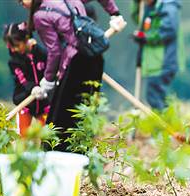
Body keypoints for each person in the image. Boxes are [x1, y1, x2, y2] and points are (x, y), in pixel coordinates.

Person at [24, 0, 125, 151]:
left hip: (76, 63)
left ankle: (55, 160)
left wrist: (48, 80)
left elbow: (55, 51)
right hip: (94, 56)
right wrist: (114, 13)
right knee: (86, 110)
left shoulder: (40, 15)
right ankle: (81, 157)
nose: (23, 3)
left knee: (61, 120)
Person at [132, 0, 183, 111]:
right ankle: (165, 125)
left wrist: (145, 38)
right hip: (153, 62)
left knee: (156, 99)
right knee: (156, 98)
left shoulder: (168, 7)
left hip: (163, 62)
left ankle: (163, 126)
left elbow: (168, 31)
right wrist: (136, 3)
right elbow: (139, 20)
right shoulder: (151, 6)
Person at [4, 22, 49, 136]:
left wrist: (47, 84)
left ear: (26, 40)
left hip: (45, 102)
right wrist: (33, 88)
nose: (14, 50)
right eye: (11, 47)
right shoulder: (14, 61)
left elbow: (51, 66)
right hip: (25, 103)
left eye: (17, 45)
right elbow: (22, 80)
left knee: (48, 137)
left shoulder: (41, 53)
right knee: (23, 137)